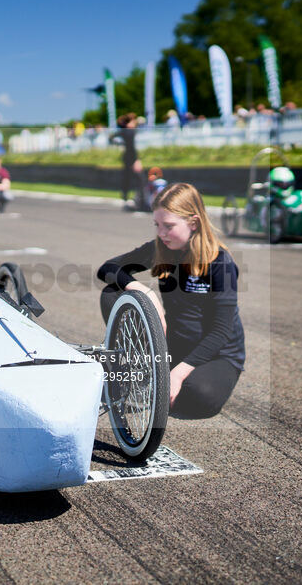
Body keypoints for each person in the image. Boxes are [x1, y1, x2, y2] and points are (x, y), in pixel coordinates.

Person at [97, 182, 245, 419]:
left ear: (194, 222)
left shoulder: (220, 263)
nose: (161, 233)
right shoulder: (162, 248)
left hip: (216, 354)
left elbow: (221, 332)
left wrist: (177, 374)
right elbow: (108, 268)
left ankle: (163, 376)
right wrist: (143, 291)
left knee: (199, 396)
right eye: (157, 225)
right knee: (113, 292)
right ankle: (144, 366)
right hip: (174, 344)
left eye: (169, 226)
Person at [109, 113, 142, 202]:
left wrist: (120, 144)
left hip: (126, 156)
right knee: (139, 178)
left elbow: (111, 138)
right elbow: (131, 147)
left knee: (127, 176)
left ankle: (126, 194)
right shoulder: (129, 131)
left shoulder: (124, 131)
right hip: (131, 156)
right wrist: (136, 160)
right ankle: (138, 196)